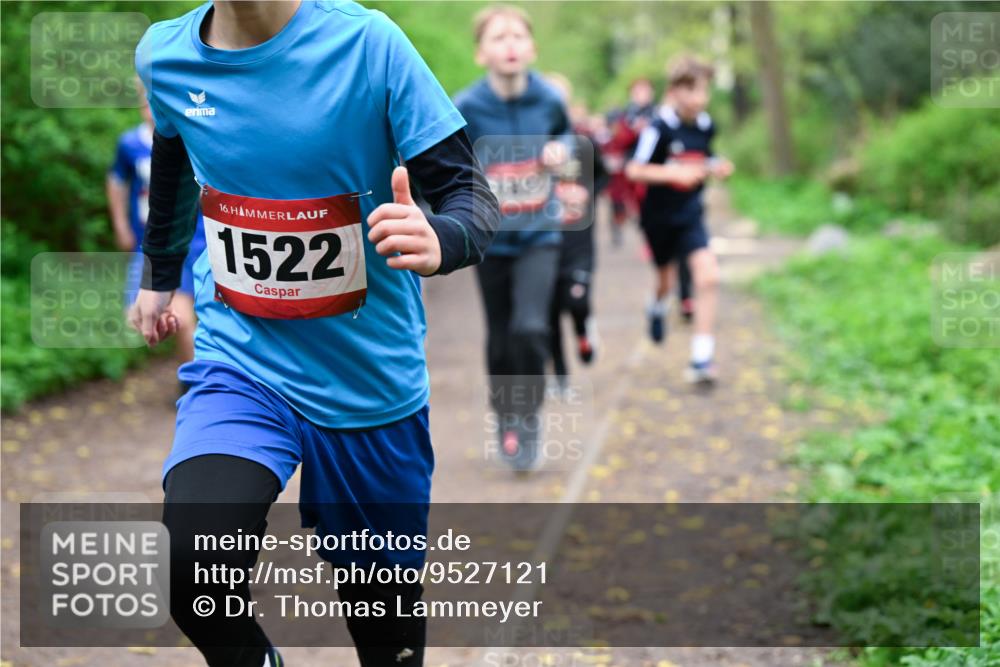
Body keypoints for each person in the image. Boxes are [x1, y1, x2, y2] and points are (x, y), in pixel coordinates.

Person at [129, 1, 499, 666]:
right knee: (189, 566)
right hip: (241, 359)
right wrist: (160, 272)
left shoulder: (370, 45)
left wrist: (441, 237)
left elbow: (471, 195)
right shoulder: (165, 54)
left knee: (384, 623)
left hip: (367, 380)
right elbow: (175, 159)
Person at [454, 4, 572, 472]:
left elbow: (566, 135)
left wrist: (560, 150)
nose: (510, 45)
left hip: (540, 234)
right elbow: (448, 164)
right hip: (489, 239)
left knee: (531, 328)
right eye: (499, 38)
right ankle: (505, 415)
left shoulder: (548, 99)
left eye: (518, 37)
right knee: (501, 337)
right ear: (481, 53)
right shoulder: (466, 106)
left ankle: (528, 417)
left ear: (532, 49)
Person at [626, 55, 733, 385]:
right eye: (690, 90)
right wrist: (674, 173)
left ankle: (702, 359)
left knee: (708, 276)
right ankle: (657, 307)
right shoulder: (658, 128)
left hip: (690, 215)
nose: (698, 98)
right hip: (658, 218)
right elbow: (634, 169)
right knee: (666, 281)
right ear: (674, 91)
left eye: (703, 90)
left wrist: (717, 166)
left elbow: (705, 156)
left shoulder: (706, 125)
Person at [107, 78, 205, 368]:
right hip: (150, 243)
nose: (149, 108)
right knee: (145, 315)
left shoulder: (192, 138)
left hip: (196, 240)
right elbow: (116, 182)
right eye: (144, 102)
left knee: (188, 319)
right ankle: (192, 375)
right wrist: (121, 225)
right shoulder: (130, 144)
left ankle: (193, 380)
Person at [543, 72, 608, 389]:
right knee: (550, 311)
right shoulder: (528, 145)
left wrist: (586, 195)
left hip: (579, 241)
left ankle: (584, 330)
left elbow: (603, 175)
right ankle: (560, 374)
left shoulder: (583, 144)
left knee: (577, 301)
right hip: (544, 241)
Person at [602, 78, 654, 246]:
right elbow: (617, 139)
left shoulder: (657, 114)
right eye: (638, 91)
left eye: (645, 91)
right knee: (618, 200)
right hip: (627, 165)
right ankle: (618, 225)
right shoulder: (623, 116)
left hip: (651, 166)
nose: (642, 95)